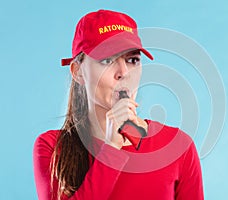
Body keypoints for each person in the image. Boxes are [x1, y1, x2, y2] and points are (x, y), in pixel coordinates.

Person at [33, 9, 204, 200]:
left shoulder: (178, 146)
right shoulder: (52, 148)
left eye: (132, 60)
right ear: (78, 72)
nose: (123, 72)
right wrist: (111, 150)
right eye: (107, 60)